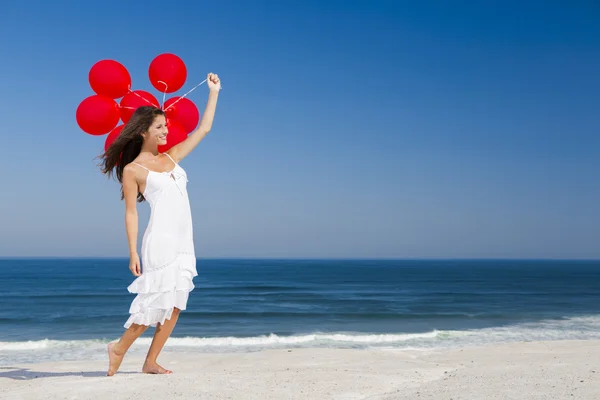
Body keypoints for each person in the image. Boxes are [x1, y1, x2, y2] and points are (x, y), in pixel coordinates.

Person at [99, 72, 221, 376]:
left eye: (166, 125)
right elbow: (131, 213)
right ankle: (118, 348)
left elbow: (204, 128)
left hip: (184, 242)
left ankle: (150, 361)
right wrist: (132, 252)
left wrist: (214, 92)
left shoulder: (173, 157)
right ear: (143, 131)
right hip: (160, 242)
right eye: (160, 127)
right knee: (154, 304)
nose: (167, 131)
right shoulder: (133, 170)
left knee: (175, 305)